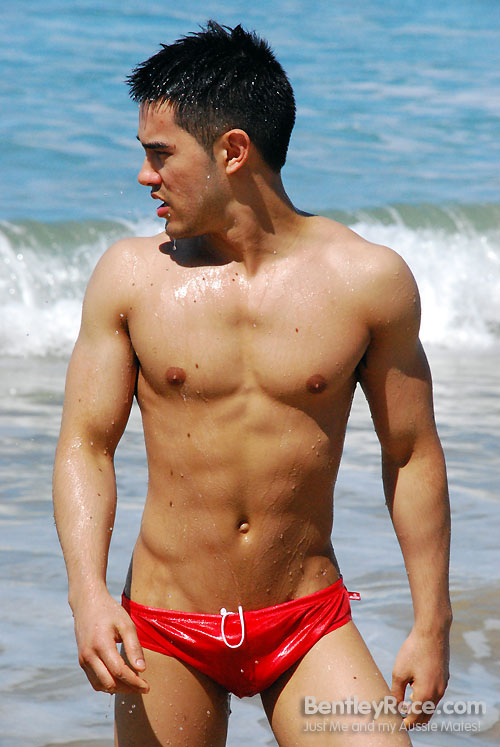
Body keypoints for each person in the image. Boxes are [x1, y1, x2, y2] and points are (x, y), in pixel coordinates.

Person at [53, 20, 452, 746]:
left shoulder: (368, 282)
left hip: (306, 619)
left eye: (160, 154)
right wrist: (87, 594)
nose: (145, 176)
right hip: (165, 627)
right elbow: (86, 444)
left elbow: (411, 452)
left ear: (232, 151)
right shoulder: (131, 278)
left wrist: (432, 623)